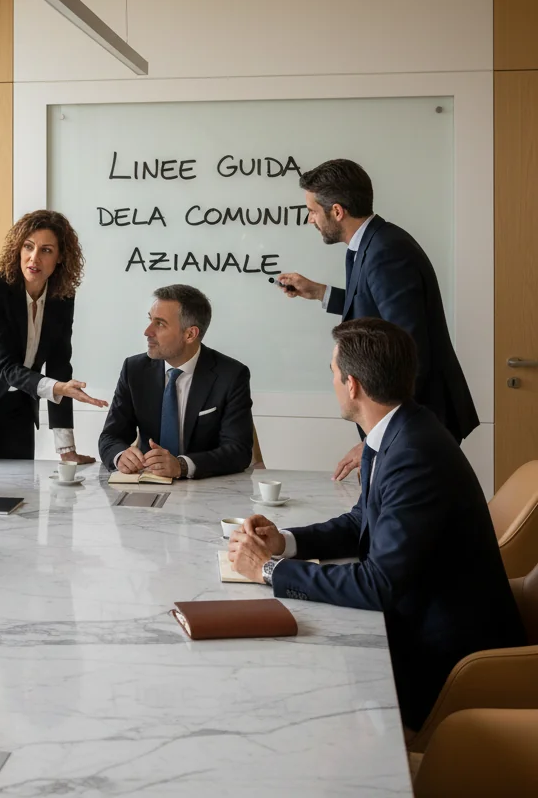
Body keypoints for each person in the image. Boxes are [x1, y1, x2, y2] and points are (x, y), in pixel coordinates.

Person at [228, 319, 524, 731]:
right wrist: (284, 543)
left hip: (442, 660)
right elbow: (360, 521)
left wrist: (267, 570)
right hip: (417, 625)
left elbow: (378, 584)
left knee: (294, 700)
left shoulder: (414, 453)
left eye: (332, 372)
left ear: (352, 385)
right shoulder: (397, 430)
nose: (330, 379)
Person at [276, 159, 478, 480]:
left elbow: (408, 349)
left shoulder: (386, 252)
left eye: (313, 210)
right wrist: (319, 292)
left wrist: (379, 437)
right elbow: (376, 309)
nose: (310, 219)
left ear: (338, 211)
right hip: (406, 420)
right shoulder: (371, 244)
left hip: (416, 420)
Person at [0, 210, 108, 477]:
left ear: (60, 257)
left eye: (46, 250)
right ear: (18, 248)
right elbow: (5, 367)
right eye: (28, 246)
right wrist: (56, 387)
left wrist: (66, 449)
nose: (34, 258)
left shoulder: (62, 297)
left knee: (21, 490)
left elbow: (60, 364)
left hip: (16, 406)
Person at [98, 284, 253, 479]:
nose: (147, 331)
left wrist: (182, 466)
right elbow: (111, 436)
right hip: (147, 485)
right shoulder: (134, 369)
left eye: (160, 324)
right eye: (150, 320)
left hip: (206, 491)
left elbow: (238, 450)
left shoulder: (231, 374)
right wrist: (120, 456)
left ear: (190, 334)